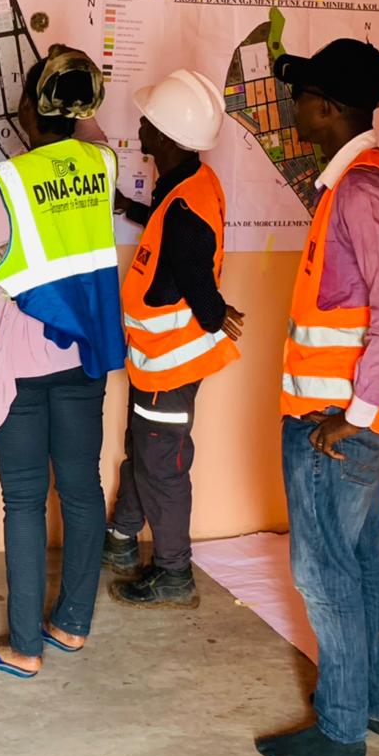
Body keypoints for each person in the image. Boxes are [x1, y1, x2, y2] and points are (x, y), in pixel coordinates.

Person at [256, 39, 379, 756]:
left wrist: (350, 414)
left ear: (327, 108)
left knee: (322, 568)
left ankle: (340, 726)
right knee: (360, 557)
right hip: (359, 422)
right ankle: (376, 705)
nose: (293, 108)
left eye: (300, 97)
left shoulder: (360, 189)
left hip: (337, 428)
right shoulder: (375, 179)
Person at [0, 44, 125, 677]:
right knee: (79, 490)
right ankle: (71, 626)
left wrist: (14, 281)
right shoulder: (101, 164)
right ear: (80, 107)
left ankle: (24, 647)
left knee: (23, 500)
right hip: (85, 354)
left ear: (27, 106)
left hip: (22, 355)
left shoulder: (9, 181)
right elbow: (92, 130)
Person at [102, 70, 244, 608]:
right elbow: (169, 229)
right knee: (142, 451)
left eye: (147, 119)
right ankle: (120, 541)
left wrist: (215, 313)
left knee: (161, 466)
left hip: (171, 367)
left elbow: (195, 279)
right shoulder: (187, 186)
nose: (139, 124)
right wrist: (130, 209)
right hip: (156, 366)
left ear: (164, 136)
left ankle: (173, 573)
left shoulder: (184, 208)